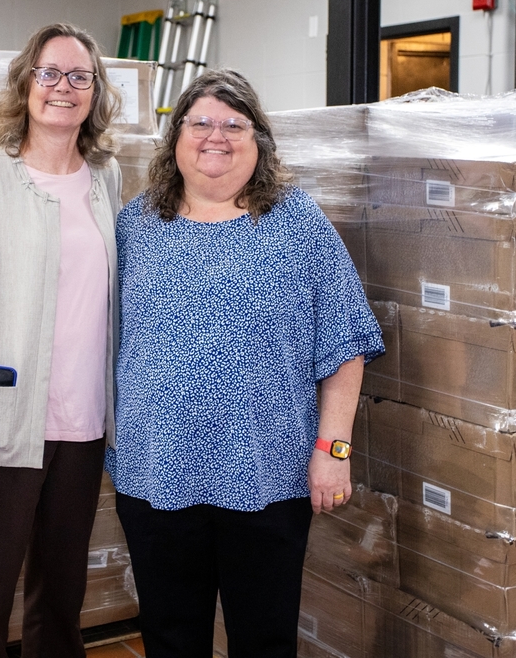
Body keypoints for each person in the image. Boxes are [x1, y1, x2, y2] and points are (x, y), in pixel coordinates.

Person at [106, 68, 385, 658]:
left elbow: (345, 342)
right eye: (201, 122)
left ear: (259, 142)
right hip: (156, 471)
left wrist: (333, 451)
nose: (217, 136)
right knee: (169, 636)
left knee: (264, 638)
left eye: (235, 124)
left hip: (267, 475)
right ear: (175, 137)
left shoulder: (297, 223)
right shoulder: (135, 224)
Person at [0, 23, 122, 658]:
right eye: (49, 74)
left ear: (95, 91)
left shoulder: (107, 180)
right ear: (26, 85)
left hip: (83, 425)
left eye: (79, 77)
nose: (63, 88)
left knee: (60, 604)